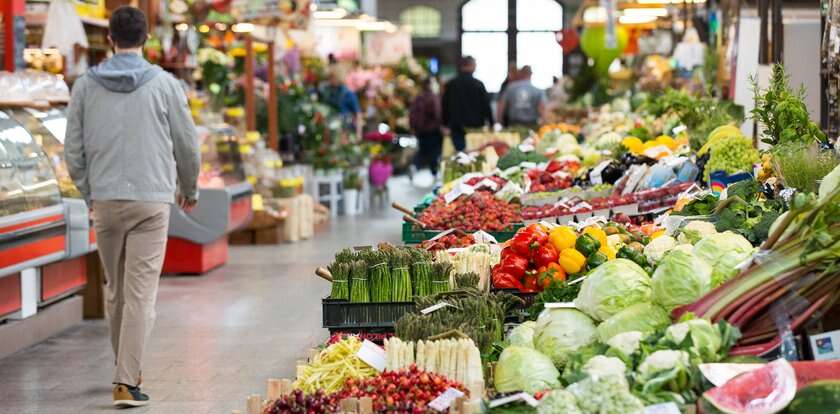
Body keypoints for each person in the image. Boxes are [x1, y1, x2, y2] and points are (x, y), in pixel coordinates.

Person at [64, 6, 200, 408]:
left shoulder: (86, 86)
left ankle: (125, 369)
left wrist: (91, 191)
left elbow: (73, 149)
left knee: (116, 290)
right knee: (140, 293)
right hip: (151, 201)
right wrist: (188, 186)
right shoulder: (165, 85)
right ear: (146, 40)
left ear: (110, 39)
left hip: (105, 201)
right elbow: (187, 143)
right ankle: (126, 378)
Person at [442, 56, 493, 152]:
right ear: (472, 65)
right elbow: (486, 106)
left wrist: (444, 124)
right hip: (475, 128)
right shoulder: (478, 84)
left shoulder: (451, 84)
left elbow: (445, 106)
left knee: (461, 155)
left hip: (456, 127)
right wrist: (491, 123)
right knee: (476, 155)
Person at [409, 77, 443, 178]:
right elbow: (437, 114)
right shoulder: (433, 97)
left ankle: (414, 166)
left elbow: (411, 114)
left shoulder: (417, 97)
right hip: (432, 129)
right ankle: (434, 172)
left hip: (420, 130)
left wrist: (413, 128)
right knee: (434, 151)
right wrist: (441, 125)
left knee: (423, 150)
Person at [322, 70, 362, 136]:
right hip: (333, 127)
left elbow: (358, 113)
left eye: (333, 78)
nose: (331, 81)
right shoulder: (329, 93)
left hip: (346, 127)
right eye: (330, 79)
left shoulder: (348, 93)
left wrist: (359, 133)